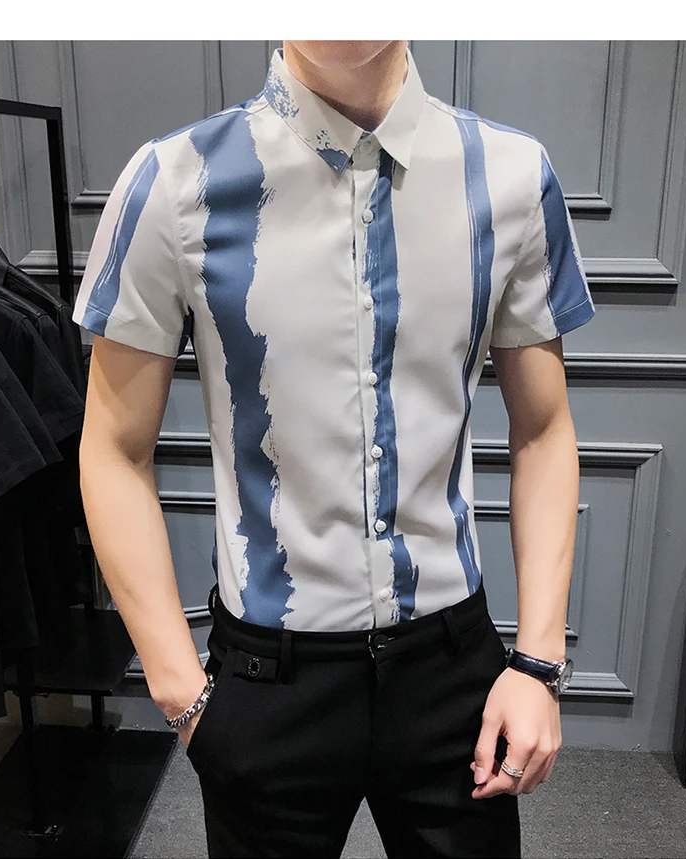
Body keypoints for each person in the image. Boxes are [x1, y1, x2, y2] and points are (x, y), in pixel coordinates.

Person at [72, 39, 594, 859]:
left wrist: (537, 662)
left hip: (451, 675)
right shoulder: (174, 183)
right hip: (267, 686)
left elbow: (544, 427)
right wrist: (183, 696)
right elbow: (111, 448)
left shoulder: (512, 177)